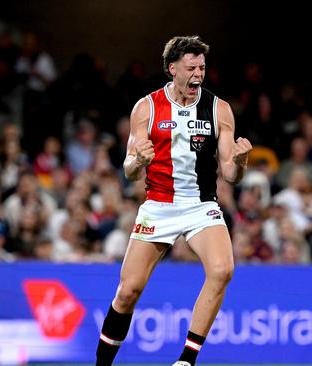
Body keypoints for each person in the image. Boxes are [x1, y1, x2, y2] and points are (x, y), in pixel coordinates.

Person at [95, 36, 252, 366]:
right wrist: (138, 160)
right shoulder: (147, 107)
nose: (199, 74)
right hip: (159, 204)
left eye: (203, 67)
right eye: (192, 67)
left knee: (223, 270)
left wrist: (239, 161)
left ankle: (185, 360)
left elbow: (229, 174)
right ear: (172, 69)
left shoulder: (218, 108)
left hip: (200, 204)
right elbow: (130, 171)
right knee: (127, 292)